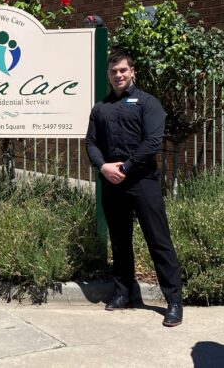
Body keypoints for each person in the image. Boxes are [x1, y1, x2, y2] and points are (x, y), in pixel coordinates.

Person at [85, 48, 183, 327]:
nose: (118, 75)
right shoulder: (100, 108)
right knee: (120, 241)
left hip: (142, 182)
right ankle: (123, 293)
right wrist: (104, 167)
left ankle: (174, 301)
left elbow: (153, 142)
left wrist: (125, 168)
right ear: (109, 74)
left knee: (158, 240)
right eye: (114, 71)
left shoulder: (147, 103)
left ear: (132, 72)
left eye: (123, 70)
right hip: (111, 182)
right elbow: (90, 143)